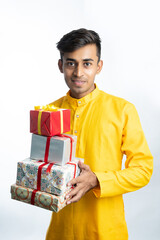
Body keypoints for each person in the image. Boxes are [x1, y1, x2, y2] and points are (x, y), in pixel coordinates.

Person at [45, 28, 153, 240]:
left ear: (98, 66)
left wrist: (97, 180)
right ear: (61, 66)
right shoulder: (49, 112)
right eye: (70, 63)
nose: (78, 72)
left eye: (87, 63)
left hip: (105, 231)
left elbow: (143, 170)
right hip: (60, 231)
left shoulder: (122, 110)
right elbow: (44, 166)